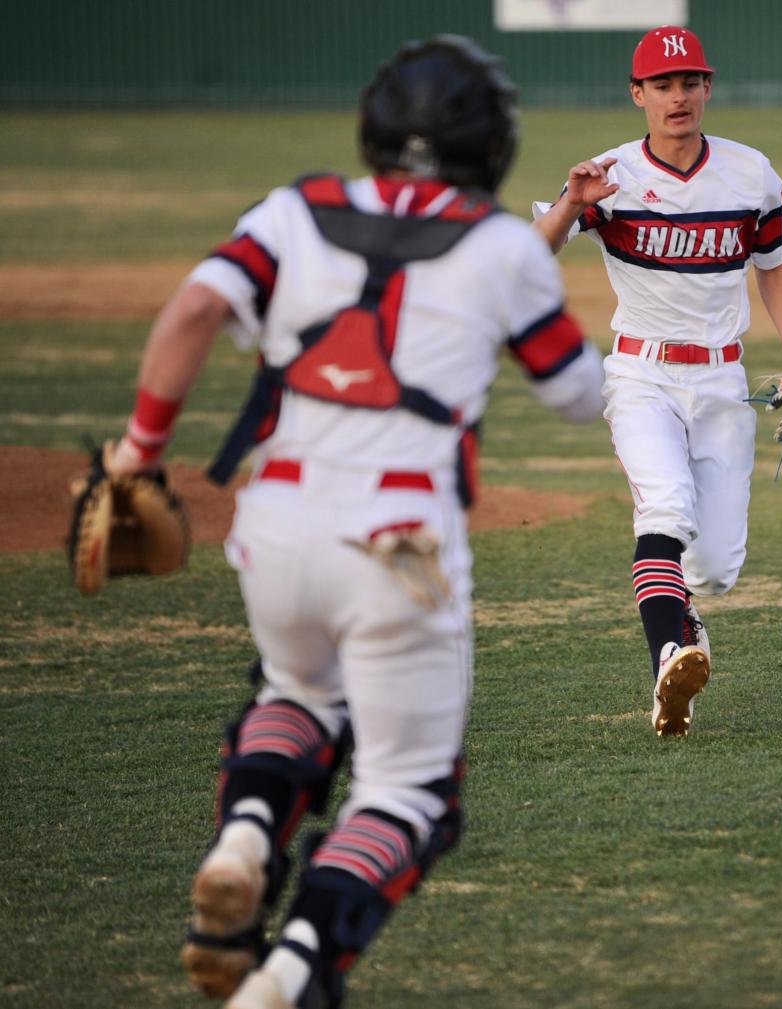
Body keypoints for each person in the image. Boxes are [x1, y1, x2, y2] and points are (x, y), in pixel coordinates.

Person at [104, 36, 604, 1009]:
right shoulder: (504, 243)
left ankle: (247, 838)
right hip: (400, 542)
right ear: (491, 141)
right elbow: (578, 393)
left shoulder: (296, 207)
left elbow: (195, 309)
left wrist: (137, 451)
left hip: (277, 518)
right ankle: (290, 973)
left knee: (295, 692)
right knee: (406, 794)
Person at [532, 25, 782, 736]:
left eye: (689, 81)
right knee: (664, 510)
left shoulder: (751, 173)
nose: (678, 96)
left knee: (716, 565)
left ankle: (685, 618)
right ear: (638, 95)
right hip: (641, 375)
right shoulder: (610, 174)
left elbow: (772, 266)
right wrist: (571, 202)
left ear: (707, 88)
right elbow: (528, 258)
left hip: (723, 381)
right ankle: (669, 650)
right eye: (662, 84)